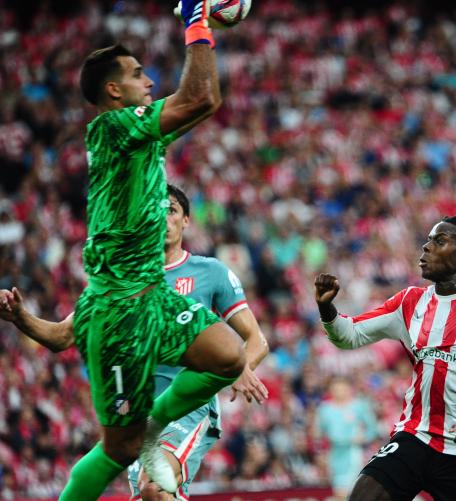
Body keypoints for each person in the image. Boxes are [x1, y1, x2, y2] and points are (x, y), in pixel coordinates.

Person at [49, 1, 247, 497]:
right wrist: (195, 18)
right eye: (138, 76)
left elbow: (207, 100)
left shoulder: (138, 141)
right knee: (116, 449)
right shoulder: (117, 128)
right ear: (114, 90)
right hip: (118, 311)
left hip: (151, 299)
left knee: (229, 356)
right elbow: (197, 95)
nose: (150, 82)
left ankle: (154, 428)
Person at [0, 185, 270, 501]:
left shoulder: (209, 272)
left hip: (186, 407)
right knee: (152, 495)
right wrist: (20, 317)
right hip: (135, 416)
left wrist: (237, 367)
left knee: (153, 487)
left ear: (185, 221)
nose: (163, 217)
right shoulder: (121, 282)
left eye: (171, 210)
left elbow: (256, 340)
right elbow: (61, 336)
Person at [314, 204, 456, 501]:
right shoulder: (409, 302)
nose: (426, 246)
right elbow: (349, 336)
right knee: (364, 496)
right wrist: (327, 308)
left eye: (439, 241)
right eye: (429, 239)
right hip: (416, 437)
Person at [316, 376, 379, 500]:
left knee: (355, 493)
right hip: (335, 455)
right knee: (340, 494)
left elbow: (372, 429)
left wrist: (363, 438)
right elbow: (318, 434)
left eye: (342, 388)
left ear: (349, 389)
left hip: (354, 453)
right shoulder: (325, 409)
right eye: (335, 389)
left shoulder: (359, 405)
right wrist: (321, 454)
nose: (339, 392)